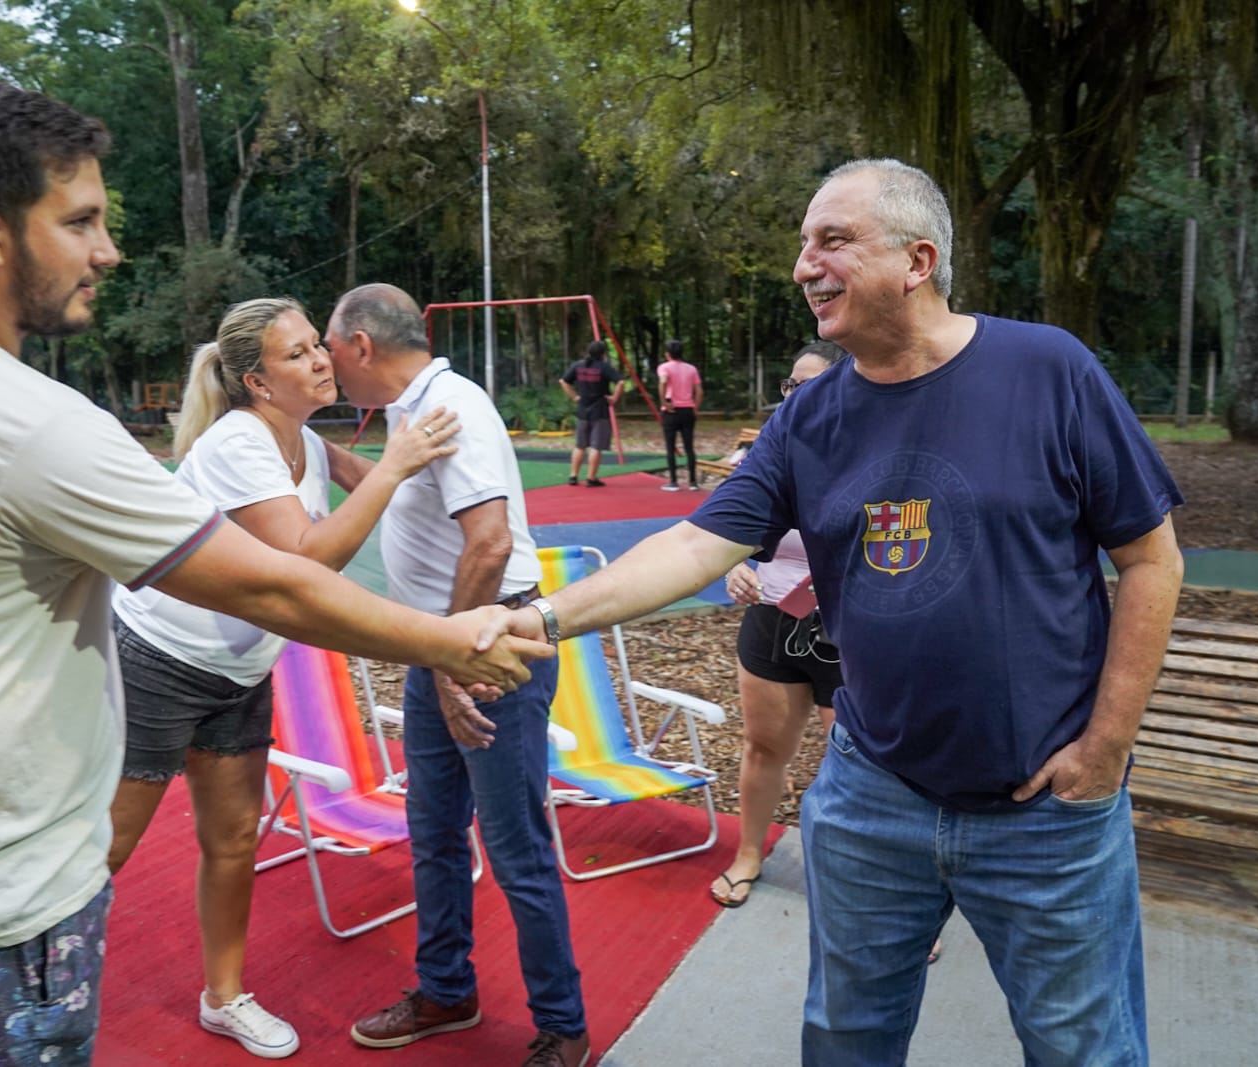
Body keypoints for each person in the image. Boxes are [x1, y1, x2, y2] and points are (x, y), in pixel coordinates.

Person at [0, 83, 546, 1067]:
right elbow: (278, 583)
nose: (107, 250)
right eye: (81, 220)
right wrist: (457, 639)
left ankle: (224, 991)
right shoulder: (30, 423)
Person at [505, 159, 1184, 1065]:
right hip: (873, 796)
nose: (803, 264)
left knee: (1084, 1048)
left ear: (917, 260)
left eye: (831, 240)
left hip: (1046, 810)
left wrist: (1105, 747)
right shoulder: (810, 416)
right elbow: (694, 546)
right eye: (802, 244)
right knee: (845, 1037)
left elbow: (1151, 558)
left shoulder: (1049, 370)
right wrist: (543, 619)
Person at [106, 298, 461, 1058]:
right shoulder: (238, 443)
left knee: (234, 839)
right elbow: (306, 559)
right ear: (257, 382)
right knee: (106, 846)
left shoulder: (300, 436)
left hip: (238, 669)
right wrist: (399, 464)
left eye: (316, 347)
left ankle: (224, 997)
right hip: (159, 662)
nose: (321, 360)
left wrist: (438, 488)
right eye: (298, 353)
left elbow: (365, 487)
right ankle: (19, 989)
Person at [324, 283, 590, 1067]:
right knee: (433, 833)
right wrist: (300, 440)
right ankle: (445, 987)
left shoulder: (454, 405)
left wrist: (450, 657)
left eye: (330, 348)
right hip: (440, 651)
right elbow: (386, 490)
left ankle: (564, 1026)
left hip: (485, 654)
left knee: (514, 848)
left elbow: (488, 542)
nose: (327, 362)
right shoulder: (414, 410)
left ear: (362, 345)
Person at [710, 340, 844, 909]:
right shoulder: (766, 455)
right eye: (789, 385)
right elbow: (720, 533)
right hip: (772, 628)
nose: (792, 396)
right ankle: (748, 854)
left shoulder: (876, 455)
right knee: (763, 749)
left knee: (863, 765)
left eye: (807, 385)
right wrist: (737, 566)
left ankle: (881, 894)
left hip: (852, 637)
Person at [559, 339, 624, 487]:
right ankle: (591, 477)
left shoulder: (578, 366)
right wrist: (614, 398)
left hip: (582, 409)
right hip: (599, 410)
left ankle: (573, 475)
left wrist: (575, 396)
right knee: (596, 446)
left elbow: (563, 381)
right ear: (603, 354)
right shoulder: (604, 367)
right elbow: (620, 382)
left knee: (580, 445)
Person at [657, 339, 703, 491]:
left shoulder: (664, 367)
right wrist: (695, 408)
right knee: (689, 446)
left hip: (671, 410)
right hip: (687, 409)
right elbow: (699, 391)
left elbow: (663, 382)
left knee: (670, 446)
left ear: (668, 354)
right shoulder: (691, 369)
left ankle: (673, 481)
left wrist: (663, 401)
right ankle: (692, 481)